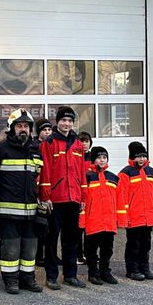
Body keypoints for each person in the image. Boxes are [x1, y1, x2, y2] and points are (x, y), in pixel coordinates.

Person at [0, 108, 43, 294]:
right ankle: (11, 280)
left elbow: (39, 179)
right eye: (19, 126)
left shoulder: (35, 150)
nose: (23, 129)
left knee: (29, 247)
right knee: (10, 248)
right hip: (7, 209)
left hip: (31, 210)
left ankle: (28, 279)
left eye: (26, 126)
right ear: (11, 128)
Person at [38, 106, 87, 290]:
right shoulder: (49, 143)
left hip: (73, 199)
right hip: (55, 200)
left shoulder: (77, 145)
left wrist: (83, 197)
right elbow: (45, 172)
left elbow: (82, 173)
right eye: (63, 120)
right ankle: (51, 276)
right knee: (51, 241)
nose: (66, 124)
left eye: (70, 121)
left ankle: (70, 275)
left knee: (71, 240)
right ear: (57, 121)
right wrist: (46, 196)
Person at [117, 141, 153, 280]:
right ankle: (132, 269)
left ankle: (144, 268)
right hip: (134, 218)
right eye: (138, 156)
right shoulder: (125, 173)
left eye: (143, 156)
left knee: (146, 245)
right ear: (132, 157)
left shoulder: (151, 172)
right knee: (133, 245)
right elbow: (121, 197)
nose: (141, 159)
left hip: (148, 217)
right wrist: (124, 218)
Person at [79, 146, 120, 285]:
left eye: (104, 158)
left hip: (108, 221)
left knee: (107, 249)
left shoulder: (113, 177)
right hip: (92, 221)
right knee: (91, 250)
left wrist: (118, 219)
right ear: (93, 160)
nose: (102, 161)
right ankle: (93, 273)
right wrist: (82, 220)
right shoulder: (87, 177)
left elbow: (119, 200)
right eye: (99, 158)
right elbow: (82, 201)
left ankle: (105, 272)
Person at [34, 119, 53, 270]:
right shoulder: (35, 146)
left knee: (51, 227)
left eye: (49, 129)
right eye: (44, 129)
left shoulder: (52, 145)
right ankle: (38, 255)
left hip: (52, 188)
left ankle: (50, 254)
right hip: (39, 189)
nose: (47, 132)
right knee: (40, 224)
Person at [76, 130, 94, 264]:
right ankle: (78, 255)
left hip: (92, 197)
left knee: (90, 227)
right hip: (78, 195)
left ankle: (89, 254)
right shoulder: (75, 156)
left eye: (86, 141)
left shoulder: (93, 157)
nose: (84, 144)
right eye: (82, 141)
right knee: (78, 228)